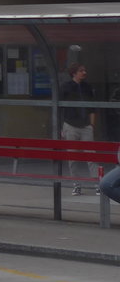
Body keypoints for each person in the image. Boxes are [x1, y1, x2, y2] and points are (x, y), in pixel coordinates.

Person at [59, 63, 96, 194]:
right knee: (73, 156)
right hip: (70, 125)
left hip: (86, 125)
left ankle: (97, 183)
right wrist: (61, 127)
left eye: (84, 70)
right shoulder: (66, 87)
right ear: (74, 73)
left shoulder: (87, 87)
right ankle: (76, 184)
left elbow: (92, 106)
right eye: (81, 71)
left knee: (91, 155)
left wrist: (91, 124)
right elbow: (59, 107)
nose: (84, 72)